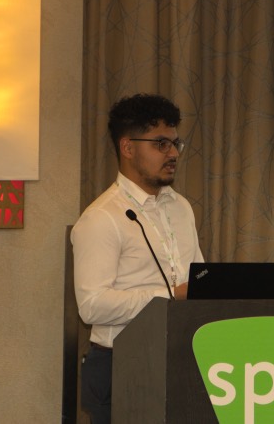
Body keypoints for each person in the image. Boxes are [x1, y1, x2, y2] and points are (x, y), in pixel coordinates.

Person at [72, 93, 204, 424]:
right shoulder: (102, 217)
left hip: (182, 358)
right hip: (122, 364)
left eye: (175, 143)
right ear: (128, 148)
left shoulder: (181, 207)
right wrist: (169, 296)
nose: (173, 153)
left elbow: (196, 280)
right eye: (161, 144)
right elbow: (92, 306)